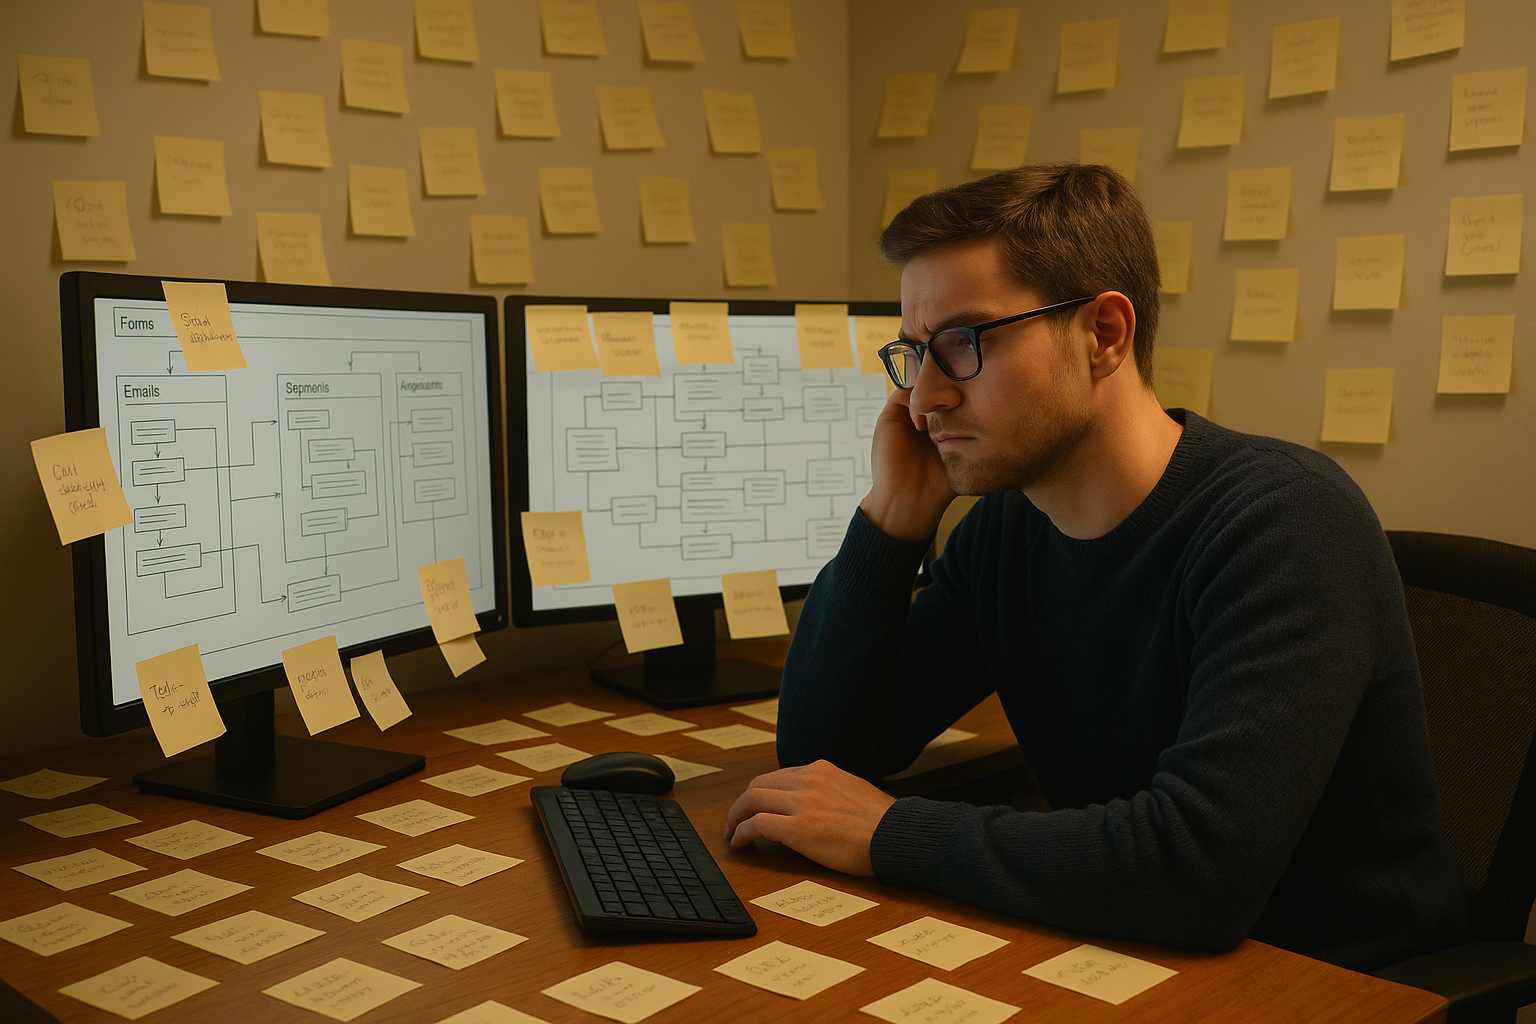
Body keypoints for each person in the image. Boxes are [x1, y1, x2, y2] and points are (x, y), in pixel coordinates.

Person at [722, 163, 1467, 971]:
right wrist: (891, 519)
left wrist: (889, 832)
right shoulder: (1010, 529)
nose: (923, 398)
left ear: (1105, 334)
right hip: (1130, 951)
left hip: (1333, 981)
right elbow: (827, 752)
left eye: (963, 344)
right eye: (912, 353)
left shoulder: (1283, 524)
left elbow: (1197, 869)